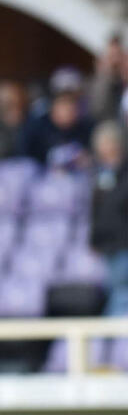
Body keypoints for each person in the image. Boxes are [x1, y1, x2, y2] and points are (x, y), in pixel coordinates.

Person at [89, 122, 128, 315]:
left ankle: (116, 340)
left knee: (122, 292)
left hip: (123, 243)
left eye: (108, 143)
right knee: (111, 290)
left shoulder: (124, 172)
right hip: (106, 244)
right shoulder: (100, 174)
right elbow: (96, 209)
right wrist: (94, 239)